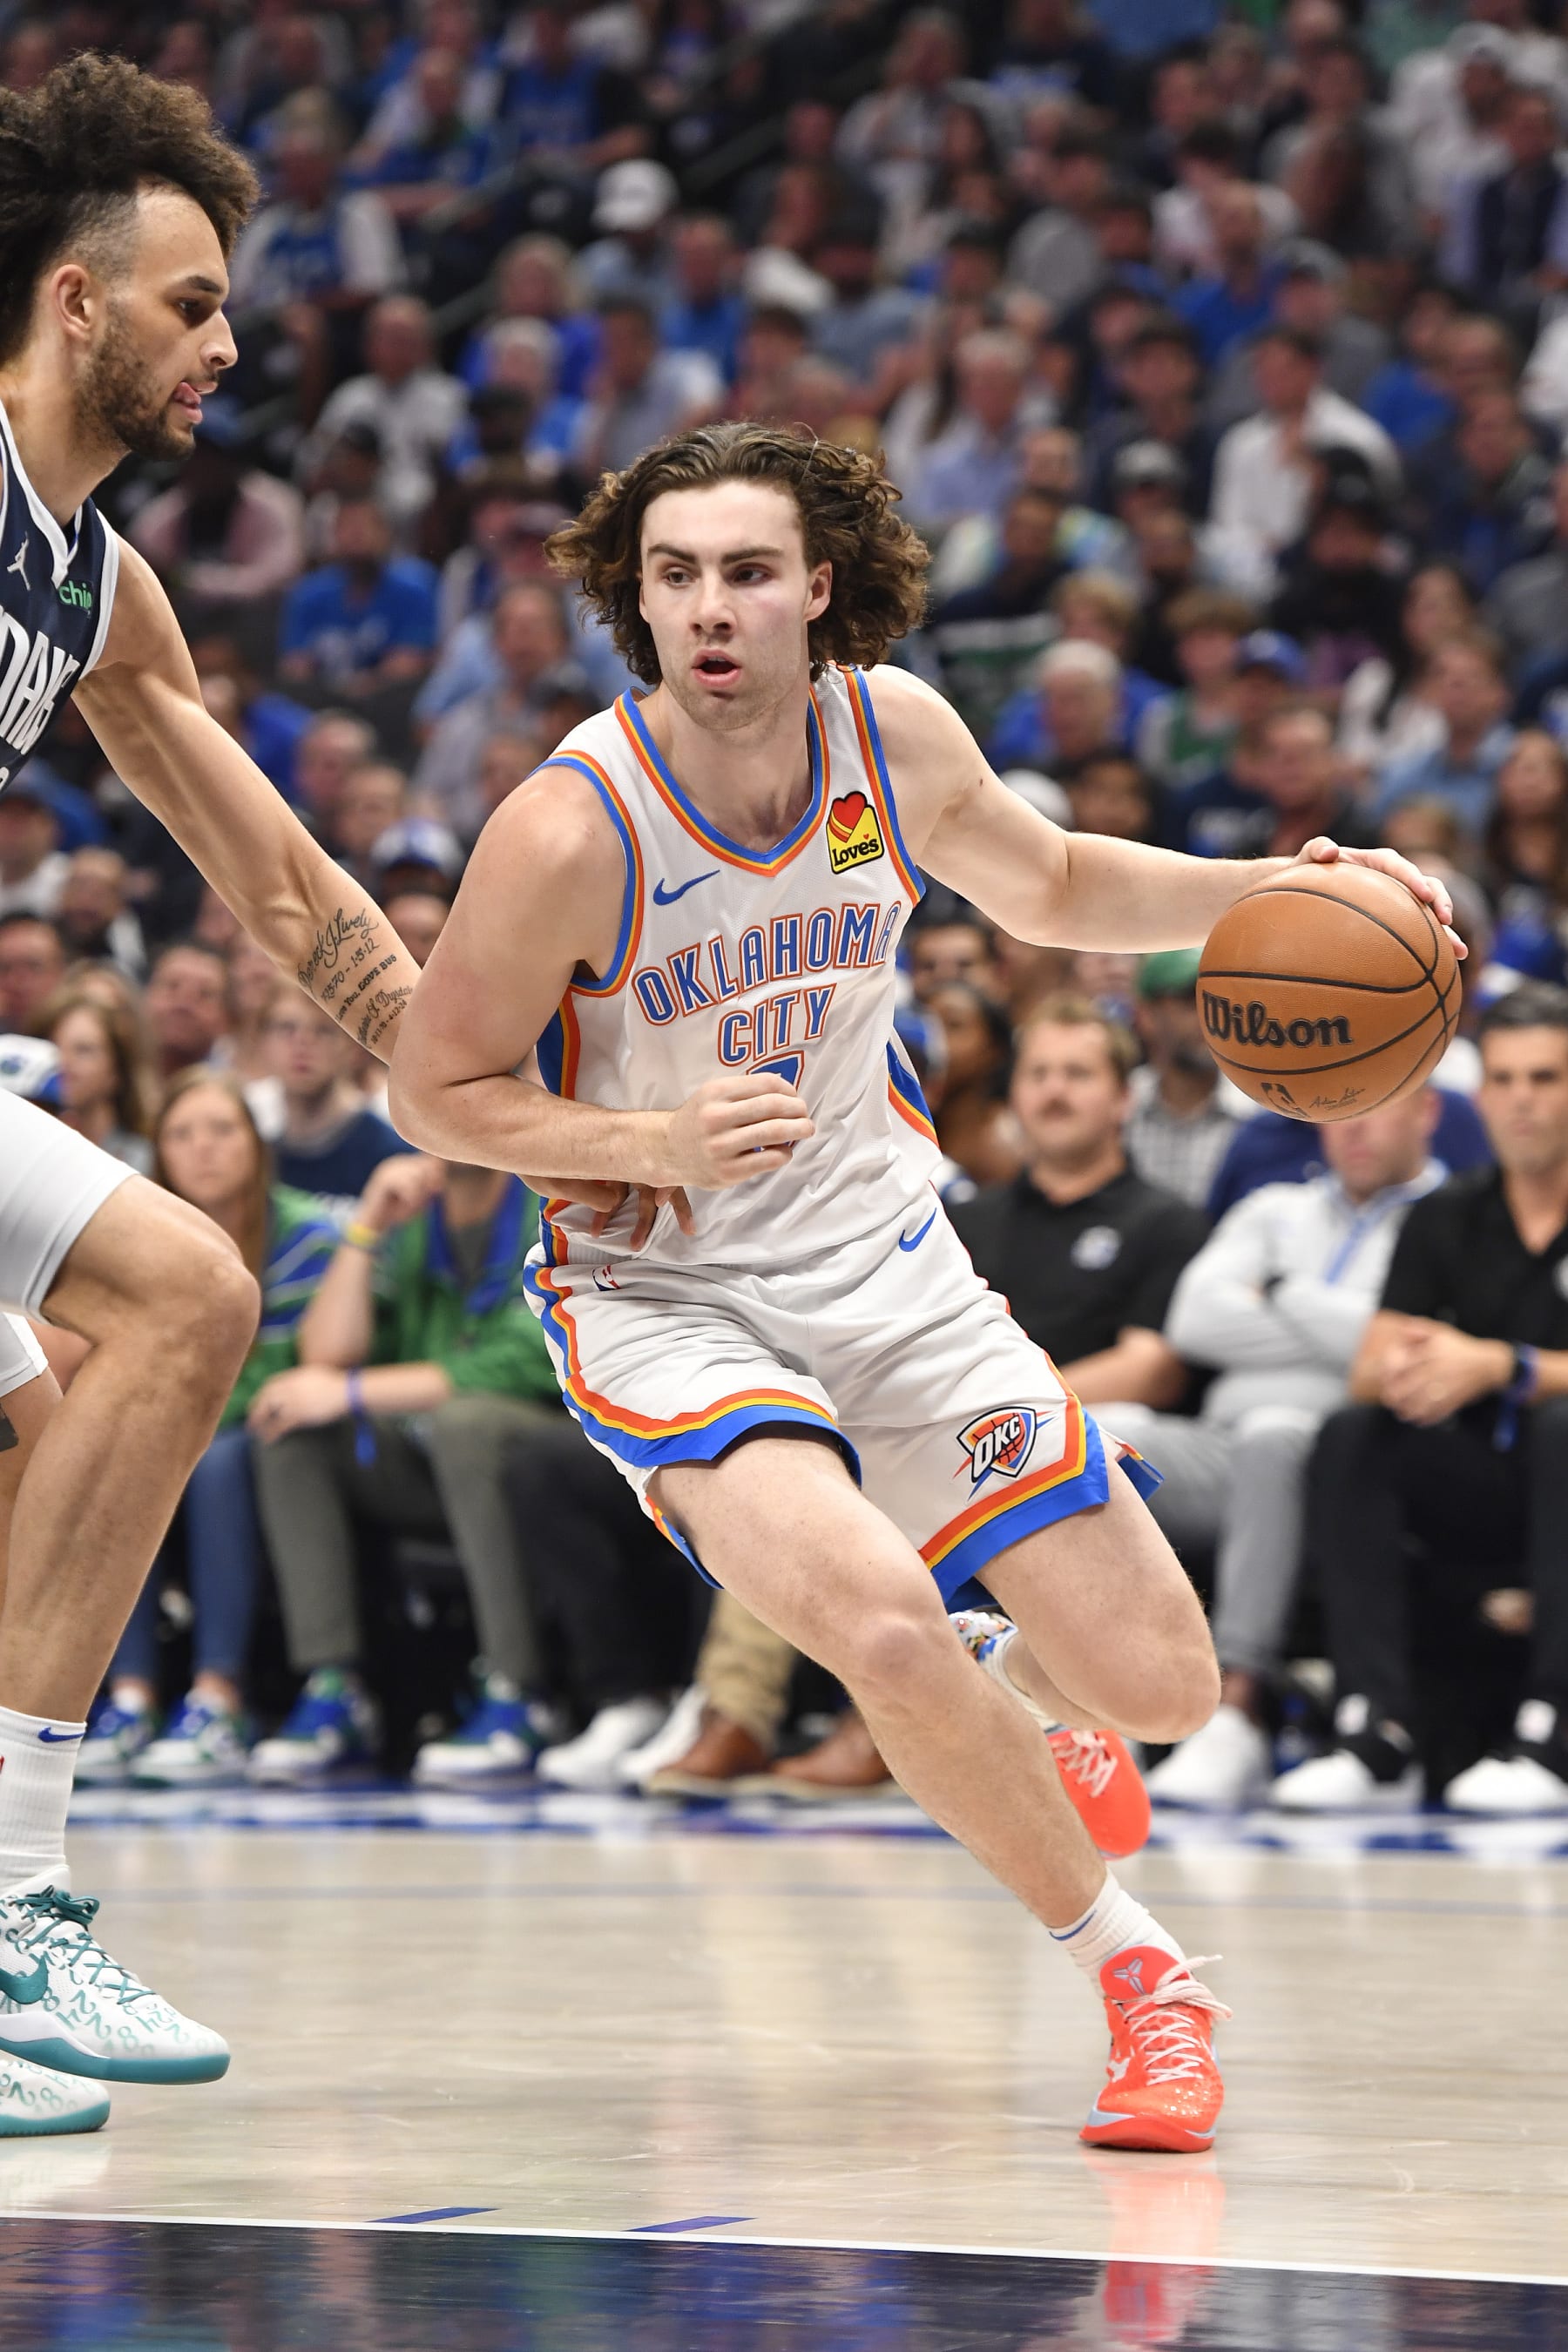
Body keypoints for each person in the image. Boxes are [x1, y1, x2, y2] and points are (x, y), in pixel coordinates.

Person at [389, 418, 1456, 2155]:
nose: (710, 609)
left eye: (746, 572)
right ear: (634, 601)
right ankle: (1144, 1981)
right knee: (875, 1618)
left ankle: (1008, 1683)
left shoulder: (891, 735)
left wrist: (1273, 886)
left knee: (1165, 1693)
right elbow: (433, 1091)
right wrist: (649, 1141)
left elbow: (1047, 882)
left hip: (890, 1261)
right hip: (665, 1293)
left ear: (818, 587)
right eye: (674, 577)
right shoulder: (571, 826)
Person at [0, 52, 426, 2132]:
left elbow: (278, 880)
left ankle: (5, 1917)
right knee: (153, 1309)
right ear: (77, 303)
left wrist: (476, 1084)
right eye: (192, 302)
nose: (228, 345)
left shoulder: (89, 579)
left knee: (133, 1334)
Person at [1111, 1087, 1446, 1810]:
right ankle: (1106, 1707)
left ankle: (1238, 1710)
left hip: (1347, 1464)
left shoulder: (1447, 1218)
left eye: (1379, 1105)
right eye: (1340, 1109)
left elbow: (1398, 1354)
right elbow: (1194, 1317)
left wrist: (1280, 1293)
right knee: (1090, 1437)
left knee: (1276, 1435)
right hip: (1218, 1442)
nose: (1353, 1127)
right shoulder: (1272, 1208)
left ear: (1427, 1111)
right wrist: (1343, 1333)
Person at [1276, 987, 1568, 1816]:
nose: (1523, 1100)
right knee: (1351, 1433)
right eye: (1506, 1080)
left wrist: (1503, 1366)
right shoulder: (1448, 1216)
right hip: (1483, 1485)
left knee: (1563, 1427)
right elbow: (1372, 1366)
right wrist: (1426, 1370)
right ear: (1482, 1098)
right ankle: (1376, 1731)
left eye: (1545, 1078)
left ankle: (1552, 1729)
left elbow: (1509, 1374)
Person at [246, 1153, 564, 1786]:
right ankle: (335, 1689)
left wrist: (357, 1392)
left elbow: (533, 1359)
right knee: (294, 1426)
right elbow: (325, 1356)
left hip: (547, 1451)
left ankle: (519, 1692)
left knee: (464, 1423)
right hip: (433, 1461)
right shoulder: (416, 1220)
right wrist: (366, 1226)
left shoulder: (547, 1202)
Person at [77, 1073, 340, 1786]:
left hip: (267, 1438)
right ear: (159, 1153)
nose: (204, 1150)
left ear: (255, 1145)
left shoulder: (311, 1232)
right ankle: (129, 1696)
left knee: (213, 1460)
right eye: (183, 1134)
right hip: (181, 1433)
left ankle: (217, 1699)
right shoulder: (137, 1243)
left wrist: (176, 1412)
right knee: (121, 1460)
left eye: (222, 1130)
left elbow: (286, 1369)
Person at [260, 981, 415, 1208]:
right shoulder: (254, 1152)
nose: (302, 1044)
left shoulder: (391, 1152)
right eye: (287, 1028)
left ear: (352, 1046)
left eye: (323, 1030)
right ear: (262, 1041)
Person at [41, 986, 155, 1174]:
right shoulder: (26, 1150)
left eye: (83, 1050)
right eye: (53, 1046)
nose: (63, 1062)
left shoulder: (145, 1161)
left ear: (116, 1071)